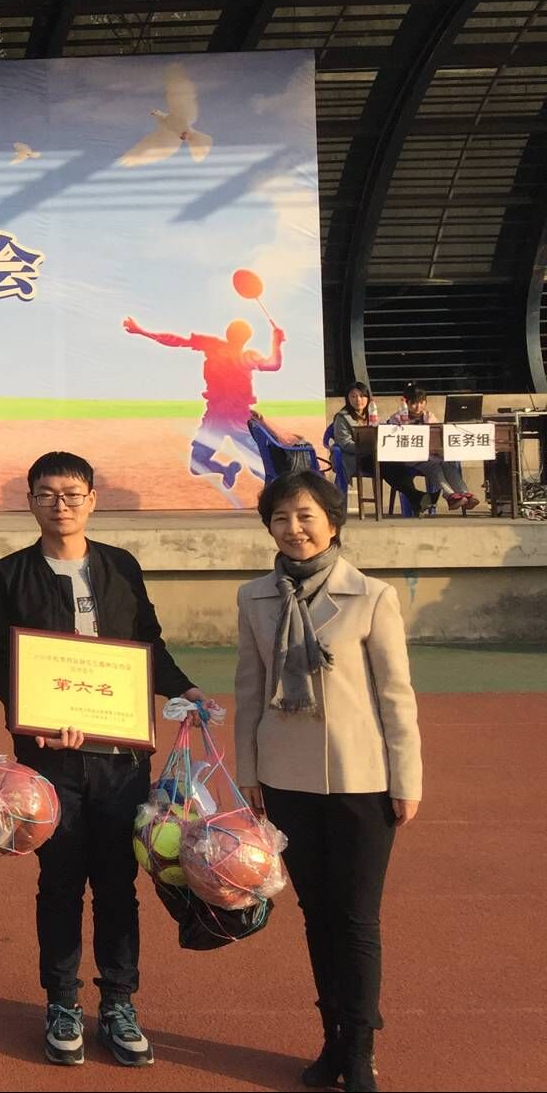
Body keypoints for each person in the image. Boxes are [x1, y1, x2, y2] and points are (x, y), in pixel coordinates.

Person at [0, 452, 204, 1069]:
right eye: (47, 494)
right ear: (30, 500)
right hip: (50, 760)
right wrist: (38, 722)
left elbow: (148, 644)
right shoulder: (5, 575)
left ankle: (119, 1002)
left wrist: (184, 689)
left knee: (117, 882)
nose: (61, 504)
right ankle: (61, 1001)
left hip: (121, 758)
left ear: (92, 499)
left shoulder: (121, 566)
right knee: (59, 880)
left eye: (73, 493)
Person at [234, 471, 421, 1093]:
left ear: (333, 523)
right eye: (281, 518)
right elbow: (249, 689)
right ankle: (333, 1039)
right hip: (285, 779)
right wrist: (249, 771)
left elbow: (396, 695)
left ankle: (362, 1049)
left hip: (362, 780)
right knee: (316, 915)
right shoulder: (254, 598)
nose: (294, 529)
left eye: (306, 515)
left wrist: (406, 777)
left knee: (357, 918)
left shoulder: (371, 596)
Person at [121, 311, 283, 492]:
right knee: (197, 464)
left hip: (239, 420)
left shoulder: (247, 356)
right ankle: (226, 470)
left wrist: (276, 342)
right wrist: (142, 331)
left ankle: (278, 495)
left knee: (259, 466)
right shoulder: (215, 347)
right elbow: (176, 340)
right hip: (215, 417)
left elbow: (273, 365)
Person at [383, 385, 478, 513]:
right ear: (406, 403)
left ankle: (464, 493)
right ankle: (450, 495)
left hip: (431, 454)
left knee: (448, 463)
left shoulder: (429, 416)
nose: (418, 406)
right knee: (434, 466)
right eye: (414, 403)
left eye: (422, 402)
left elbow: (437, 435)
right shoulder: (396, 418)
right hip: (409, 458)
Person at [326, 381, 375, 491]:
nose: (358, 400)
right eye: (353, 396)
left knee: (394, 467)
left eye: (362, 396)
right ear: (347, 399)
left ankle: (411, 496)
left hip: (371, 456)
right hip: (351, 457)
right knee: (387, 468)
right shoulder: (342, 417)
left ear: (368, 398)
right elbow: (345, 444)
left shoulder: (372, 415)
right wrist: (368, 448)